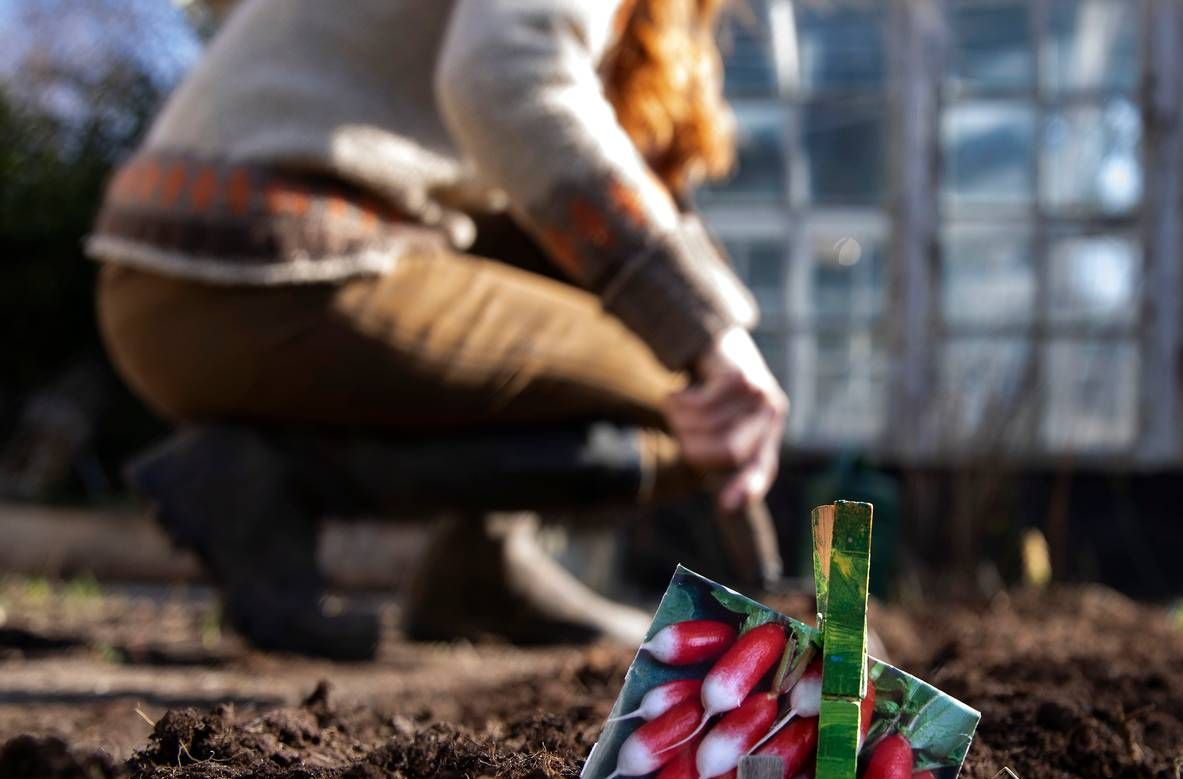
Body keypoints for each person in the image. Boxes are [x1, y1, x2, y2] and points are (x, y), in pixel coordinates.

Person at [89, 0, 788, 660]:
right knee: (691, 410)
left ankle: (480, 571)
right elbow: (508, 77)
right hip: (272, 267)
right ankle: (275, 478)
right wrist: (707, 335)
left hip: (158, 276)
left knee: (579, 250)